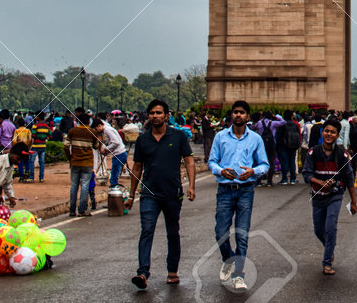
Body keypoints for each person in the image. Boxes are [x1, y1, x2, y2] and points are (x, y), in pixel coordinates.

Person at [127, 99, 196, 289]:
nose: (155, 116)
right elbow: (137, 167)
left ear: (167, 115)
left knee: (172, 232)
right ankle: (142, 272)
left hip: (172, 193)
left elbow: (189, 161)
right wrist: (131, 195)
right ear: (148, 116)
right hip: (149, 194)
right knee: (146, 231)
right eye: (152, 113)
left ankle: (172, 270)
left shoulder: (179, 136)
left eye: (158, 113)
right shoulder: (143, 140)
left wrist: (191, 186)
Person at [207, 100, 268, 292]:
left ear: (248, 117)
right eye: (235, 112)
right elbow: (212, 161)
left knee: (242, 235)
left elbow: (265, 165)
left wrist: (253, 171)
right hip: (225, 190)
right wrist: (220, 171)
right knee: (220, 232)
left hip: (246, 190)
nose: (238, 115)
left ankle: (239, 275)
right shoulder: (220, 137)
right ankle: (228, 259)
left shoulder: (256, 139)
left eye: (242, 112)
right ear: (231, 115)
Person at [304, 119, 357, 275]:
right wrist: (319, 181)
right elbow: (306, 174)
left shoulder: (342, 154)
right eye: (326, 131)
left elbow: (349, 178)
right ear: (322, 133)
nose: (329, 134)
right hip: (317, 196)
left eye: (333, 132)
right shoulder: (313, 152)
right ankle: (330, 247)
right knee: (318, 230)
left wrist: (354, 202)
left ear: (337, 135)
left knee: (330, 228)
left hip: (335, 195)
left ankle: (327, 262)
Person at [65, 112, 99, 216]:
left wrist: (70, 158)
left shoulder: (72, 131)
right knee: (85, 185)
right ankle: (82, 210)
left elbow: (66, 146)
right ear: (89, 121)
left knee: (74, 186)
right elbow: (96, 146)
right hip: (87, 163)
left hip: (75, 162)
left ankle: (72, 210)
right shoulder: (92, 132)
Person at [94, 116, 129, 187]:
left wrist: (106, 149)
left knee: (113, 177)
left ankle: (114, 192)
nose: (96, 131)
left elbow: (116, 142)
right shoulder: (105, 131)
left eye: (96, 129)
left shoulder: (107, 130)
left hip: (119, 154)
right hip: (118, 154)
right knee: (114, 175)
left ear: (99, 126)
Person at [30, 113, 51, 182]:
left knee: (32, 161)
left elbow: (33, 135)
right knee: (42, 162)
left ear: (38, 117)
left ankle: (31, 177)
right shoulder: (46, 126)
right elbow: (50, 136)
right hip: (43, 146)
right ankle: (41, 178)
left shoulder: (35, 126)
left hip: (35, 145)